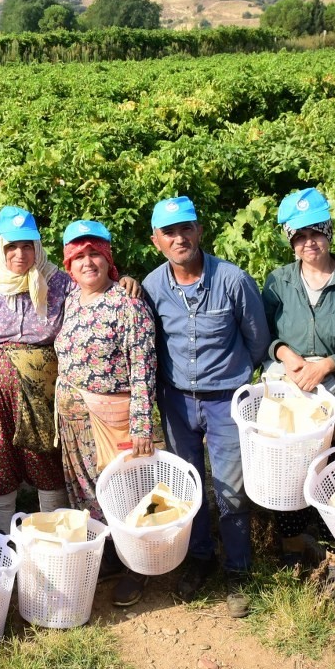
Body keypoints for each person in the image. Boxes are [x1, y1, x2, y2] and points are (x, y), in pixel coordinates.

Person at [142, 196, 269, 617]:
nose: (180, 238)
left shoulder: (232, 280)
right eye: (170, 232)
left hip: (225, 400)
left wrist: (233, 380)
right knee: (187, 486)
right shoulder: (152, 287)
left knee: (231, 489)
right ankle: (199, 557)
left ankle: (238, 569)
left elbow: (256, 340)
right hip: (176, 400)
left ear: (199, 231)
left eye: (187, 229)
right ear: (156, 240)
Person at [260, 188, 335, 574]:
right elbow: (263, 335)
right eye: (300, 236)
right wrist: (286, 354)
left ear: (329, 233)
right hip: (290, 383)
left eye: (316, 232)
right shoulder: (277, 282)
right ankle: (293, 543)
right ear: (291, 241)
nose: (310, 242)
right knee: (288, 464)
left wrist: (329, 362)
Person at [54, 220, 159, 602]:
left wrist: (142, 425)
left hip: (115, 417)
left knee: (128, 491)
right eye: (78, 256)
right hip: (76, 420)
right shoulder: (70, 301)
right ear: (68, 264)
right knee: (87, 492)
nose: (87, 262)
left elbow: (143, 369)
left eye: (94, 253)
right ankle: (112, 555)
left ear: (108, 258)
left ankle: (139, 566)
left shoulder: (127, 303)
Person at [0, 206, 73, 532]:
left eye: (27, 245)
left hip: (41, 386)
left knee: (43, 452)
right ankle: (4, 533)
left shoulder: (58, 283)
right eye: (12, 246)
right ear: (1, 247)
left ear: (37, 246)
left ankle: (51, 531)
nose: (20, 253)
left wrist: (122, 279)